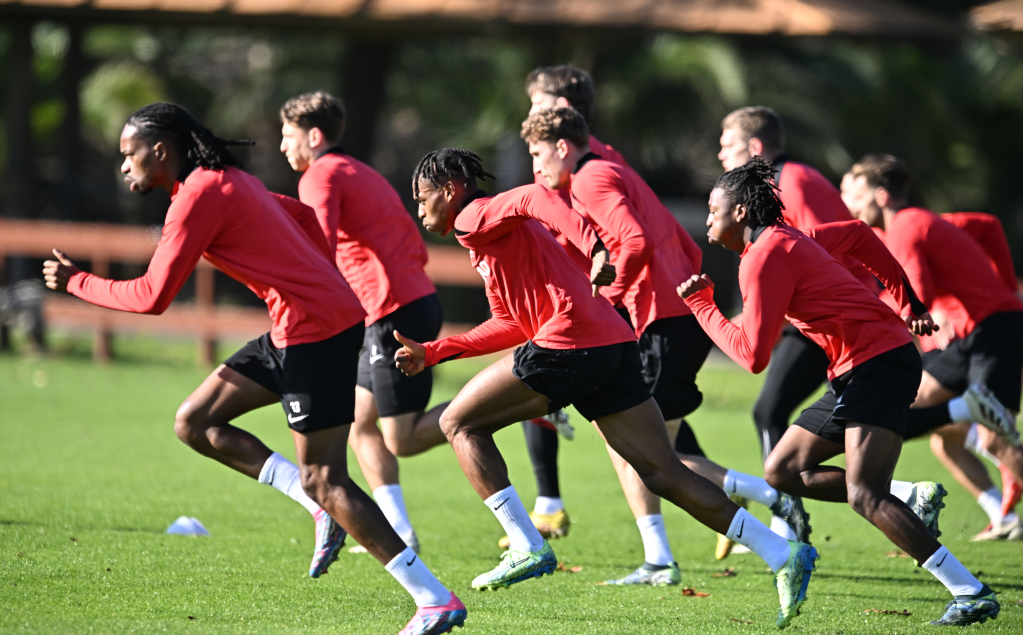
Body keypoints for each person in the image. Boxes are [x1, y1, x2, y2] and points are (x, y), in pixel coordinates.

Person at [41, 103, 466, 635]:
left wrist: (76, 281)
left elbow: (152, 297)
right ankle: (313, 507)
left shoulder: (197, 195)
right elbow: (306, 219)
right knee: (196, 422)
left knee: (328, 479)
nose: (124, 165)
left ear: (160, 151)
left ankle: (433, 598)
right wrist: (309, 280)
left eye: (129, 154)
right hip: (299, 326)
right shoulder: (227, 178)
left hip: (315, 332)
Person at [396, 148, 818, 629]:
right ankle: (782, 552)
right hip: (612, 342)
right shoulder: (487, 241)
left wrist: (596, 249)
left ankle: (525, 543)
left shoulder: (473, 214)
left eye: (422, 197)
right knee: (663, 472)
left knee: (457, 421)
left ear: (449, 190)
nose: (420, 208)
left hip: (570, 340)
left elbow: (536, 196)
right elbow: (510, 324)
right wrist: (433, 351)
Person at [681, 156, 998, 626]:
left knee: (864, 494)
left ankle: (969, 591)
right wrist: (905, 298)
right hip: (859, 368)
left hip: (880, 362)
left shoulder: (764, 257)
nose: (708, 219)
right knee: (783, 469)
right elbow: (857, 234)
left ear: (741, 213)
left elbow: (751, 357)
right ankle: (910, 498)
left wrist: (702, 306)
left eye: (713, 209)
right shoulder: (785, 241)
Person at [521, 106, 809, 587]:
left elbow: (634, 240)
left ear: (563, 147)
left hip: (661, 322)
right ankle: (698, 531)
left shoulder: (590, 179)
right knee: (637, 441)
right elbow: (679, 240)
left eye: (537, 153)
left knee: (637, 445)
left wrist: (609, 300)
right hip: (674, 319)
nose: (535, 165)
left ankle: (744, 512)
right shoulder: (616, 172)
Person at [279, 91, 447, 553]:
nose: (281, 146)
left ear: (313, 136)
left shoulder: (319, 176)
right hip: (408, 302)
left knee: (403, 437)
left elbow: (318, 246)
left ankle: (506, 406)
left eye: (287, 135)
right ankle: (398, 530)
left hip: (393, 311)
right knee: (361, 424)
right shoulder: (359, 170)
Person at [716, 106, 880, 553]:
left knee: (769, 412)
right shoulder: (786, 181)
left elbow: (808, 250)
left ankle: (789, 521)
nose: (719, 155)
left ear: (754, 149)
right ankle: (898, 496)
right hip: (817, 317)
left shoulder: (794, 181)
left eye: (727, 146)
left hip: (828, 319)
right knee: (778, 414)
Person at [841, 155, 1023, 542]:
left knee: (992, 437)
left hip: (996, 330)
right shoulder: (916, 222)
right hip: (969, 335)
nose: (849, 205)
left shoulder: (906, 227)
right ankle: (1002, 516)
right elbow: (988, 225)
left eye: (854, 195)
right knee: (934, 421)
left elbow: (915, 297)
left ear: (882, 195)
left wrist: (852, 316)